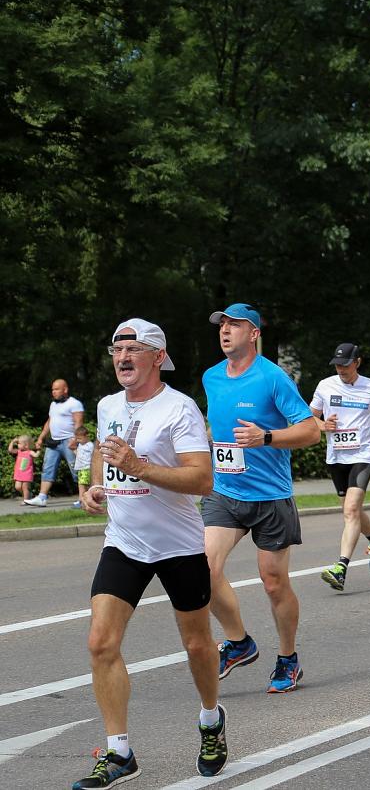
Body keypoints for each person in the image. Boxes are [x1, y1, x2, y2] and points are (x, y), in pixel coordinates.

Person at [74, 319, 226, 788]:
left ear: (158, 357)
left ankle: (211, 718)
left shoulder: (178, 408)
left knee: (197, 645)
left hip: (178, 546)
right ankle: (120, 753)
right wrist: (94, 485)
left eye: (133, 349)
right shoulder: (108, 405)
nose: (122, 357)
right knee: (100, 642)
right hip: (124, 542)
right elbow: (104, 451)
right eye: (116, 349)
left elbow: (202, 480)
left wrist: (138, 466)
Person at [201, 303, 320, 694]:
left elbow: (311, 431)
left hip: (270, 496)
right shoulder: (211, 377)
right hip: (225, 491)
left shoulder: (273, 378)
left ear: (253, 333)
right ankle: (239, 642)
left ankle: (288, 657)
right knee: (202, 570)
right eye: (222, 325)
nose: (225, 330)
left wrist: (266, 437)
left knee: (273, 583)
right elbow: (215, 426)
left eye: (234, 325)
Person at [311, 343, 370, 592]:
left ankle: (341, 568)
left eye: (346, 365)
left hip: (363, 454)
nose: (341, 369)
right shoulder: (325, 386)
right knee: (352, 511)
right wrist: (323, 425)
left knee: (350, 509)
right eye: (337, 365)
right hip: (336, 456)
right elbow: (311, 416)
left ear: (357, 362)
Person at [24, 378, 85, 507]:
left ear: (65, 389)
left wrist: (75, 440)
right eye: (52, 389)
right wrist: (41, 438)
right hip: (54, 442)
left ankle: (84, 498)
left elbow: (78, 423)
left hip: (69, 441)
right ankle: (42, 498)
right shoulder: (53, 404)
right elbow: (49, 422)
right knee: (47, 468)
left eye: (56, 389)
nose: (53, 392)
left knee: (77, 470)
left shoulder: (75, 404)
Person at [70, 426, 96, 509]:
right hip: (81, 468)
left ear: (86, 436)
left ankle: (81, 500)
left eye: (80, 438)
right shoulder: (80, 445)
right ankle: (85, 500)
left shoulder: (90, 445)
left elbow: (93, 456)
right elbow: (79, 455)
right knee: (82, 484)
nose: (78, 440)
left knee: (82, 484)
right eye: (77, 438)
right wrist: (73, 450)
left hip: (86, 468)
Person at [8, 434, 37, 501]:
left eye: (19, 443)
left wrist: (38, 450)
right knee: (17, 487)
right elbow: (10, 450)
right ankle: (28, 495)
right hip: (19, 473)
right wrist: (12, 442)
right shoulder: (19, 452)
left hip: (27, 473)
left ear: (26, 445)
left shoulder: (30, 452)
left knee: (25, 487)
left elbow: (36, 455)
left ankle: (26, 500)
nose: (18, 445)